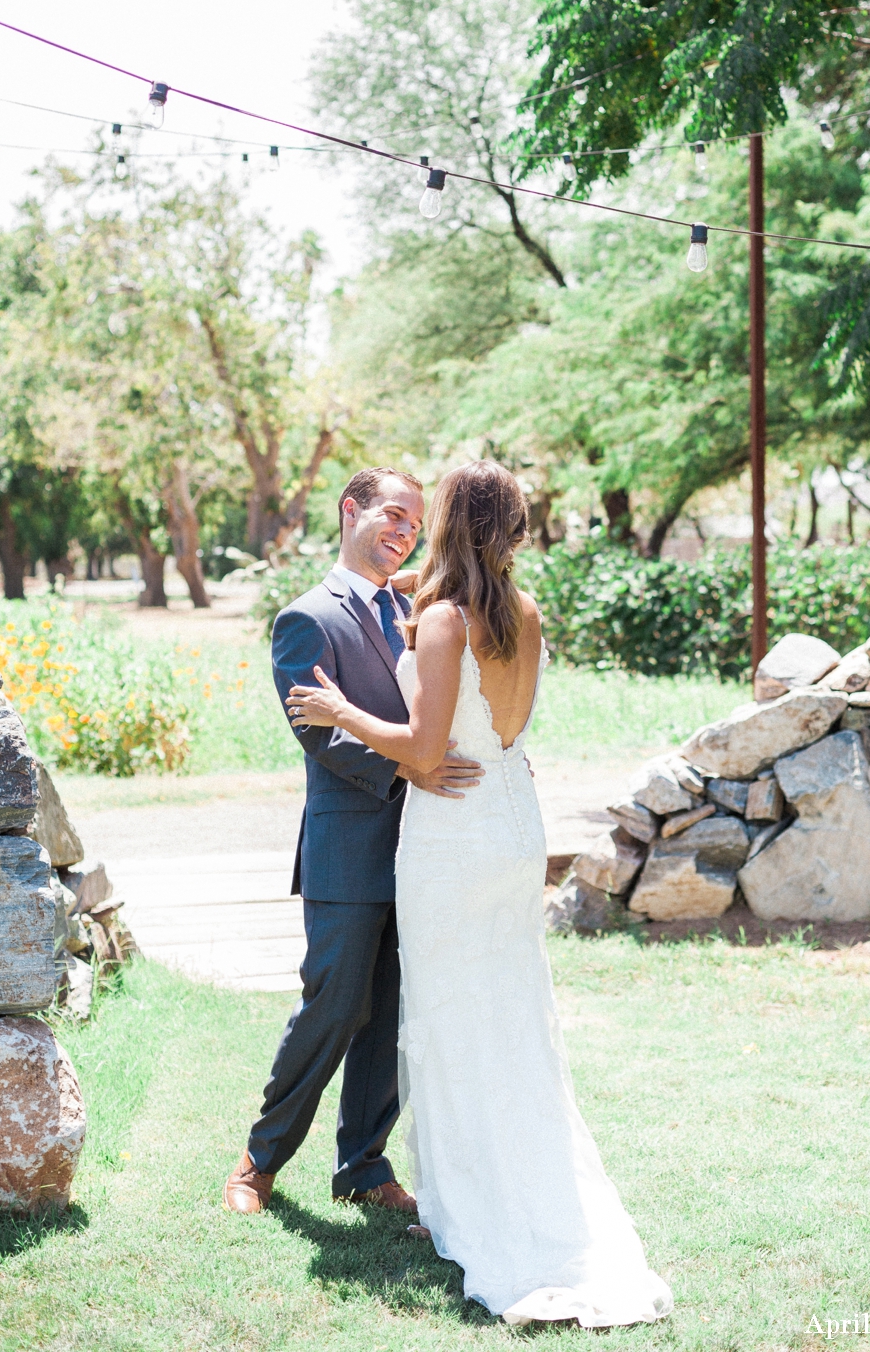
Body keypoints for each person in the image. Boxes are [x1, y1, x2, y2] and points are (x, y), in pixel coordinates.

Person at [285, 460, 673, 1329]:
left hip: (452, 836)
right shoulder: (522, 612)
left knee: (454, 1019)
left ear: (452, 521)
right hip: (512, 826)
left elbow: (423, 755)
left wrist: (338, 711)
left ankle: (472, 1212)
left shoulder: (443, 620)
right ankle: (523, 1186)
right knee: (511, 1016)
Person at [223, 467, 484, 1215]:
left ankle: (363, 1168)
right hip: (349, 850)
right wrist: (414, 770)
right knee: (334, 1007)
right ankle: (257, 1162)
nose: (405, 532)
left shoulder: (415, 610)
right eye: (393, 515)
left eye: (415, 524)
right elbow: (319, 736)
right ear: (351, 511)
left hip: (428, 847)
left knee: (395, 1010)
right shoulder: (306, 617)